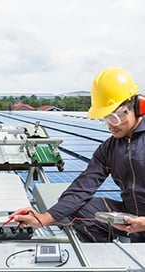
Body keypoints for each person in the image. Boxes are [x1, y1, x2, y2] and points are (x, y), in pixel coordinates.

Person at [14, 66, 145, 242]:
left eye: (114, 118)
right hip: (132, 220)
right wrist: (44, 218)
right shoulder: (109, 149)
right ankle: (106, 259)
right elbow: (82, 188)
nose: (110, 126)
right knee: (79, 207)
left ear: (137, 107)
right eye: (105, 119)